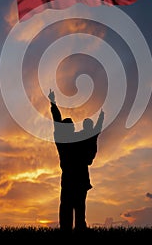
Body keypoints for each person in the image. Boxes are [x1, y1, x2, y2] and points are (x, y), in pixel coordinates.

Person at [48, 89, 104, 232]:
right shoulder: (68, 140)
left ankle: (71, 229)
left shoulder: (68, 140)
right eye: (72, 126)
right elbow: (57, 120)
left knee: (73, 210)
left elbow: (93, 133)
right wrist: (53, 104)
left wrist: (53, 103)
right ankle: (75, 229)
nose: (74, 127)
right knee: (76, 209)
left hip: (72, 180)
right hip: (76, 180)